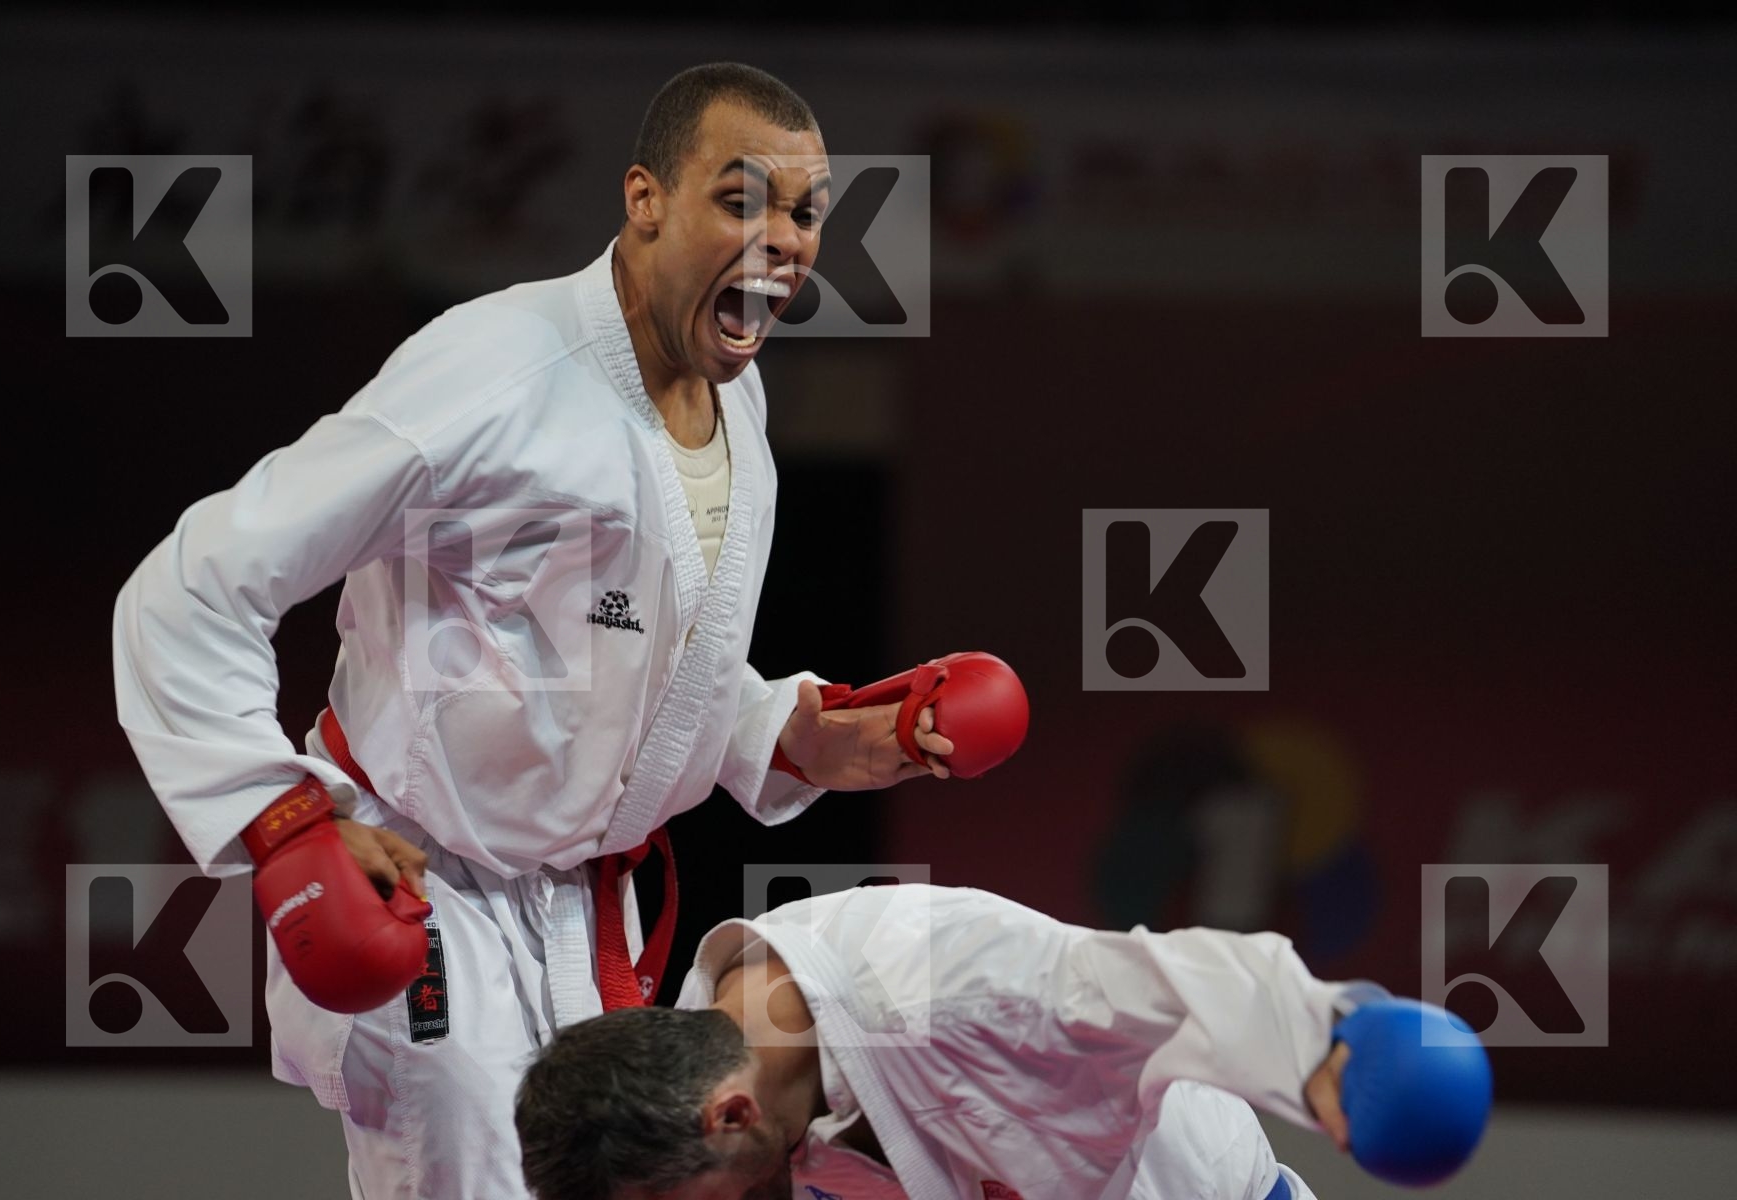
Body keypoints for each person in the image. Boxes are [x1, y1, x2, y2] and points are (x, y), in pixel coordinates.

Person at [113, 63, 969, 1199]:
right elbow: (194, 581)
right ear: (645, 199)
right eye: (742, 199)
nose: (784, 239)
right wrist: (283, 819)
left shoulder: (736, 397)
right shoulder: (496, 370)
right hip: (429, 897)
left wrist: (782, 735)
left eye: (807, 214)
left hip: (581, 921)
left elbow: (624, 660)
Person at [514, 884, 1492, 1199]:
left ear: (728, 1114)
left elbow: (1163, 982)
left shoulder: (955, 990)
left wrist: (1332, 1043)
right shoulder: (725, 1046)